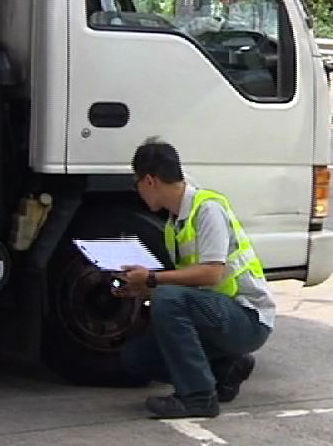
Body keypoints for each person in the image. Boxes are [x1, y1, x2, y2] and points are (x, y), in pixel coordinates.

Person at [114, 138, 275, 419]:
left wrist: (153, 279)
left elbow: (212, 274)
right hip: (216, 315)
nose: (137, 191)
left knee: (166, 297)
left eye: (136, 183)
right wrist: (141, 289)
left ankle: (199, 397)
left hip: (247, 318)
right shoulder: (174, 222)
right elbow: (185, 289)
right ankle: (224, 372)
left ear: (150, 181)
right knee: (136, 358)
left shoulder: (207, 209)